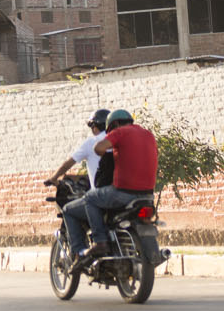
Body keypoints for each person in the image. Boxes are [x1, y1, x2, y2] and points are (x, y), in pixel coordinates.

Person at [61, 109, 159, 266]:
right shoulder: (148, 134)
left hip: (123, 192)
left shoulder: (119, 132)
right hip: (147, 195)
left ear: (114, 124)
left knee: (90, 198)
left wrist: (111, 150)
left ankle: (100, 242)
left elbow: (98, 148)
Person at [46, 109, 110, 189]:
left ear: (94, 126)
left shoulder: (91, 142)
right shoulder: (119, 139)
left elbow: (68, 164)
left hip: (99, 195)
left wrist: (54, 178)